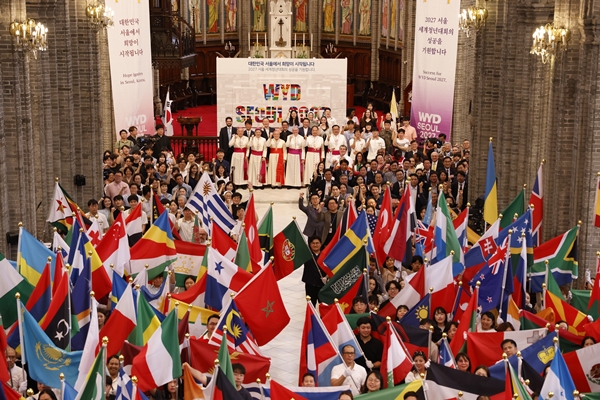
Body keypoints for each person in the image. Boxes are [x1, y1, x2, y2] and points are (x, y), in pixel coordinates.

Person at [302, 236, 327, 305]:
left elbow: (330, 269)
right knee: (311, 305)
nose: (315, 245)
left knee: (323, 305)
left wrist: (327, 277)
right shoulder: (306, 255)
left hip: (322, 285)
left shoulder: (325, 255)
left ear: (321, 244)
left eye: (317, 243)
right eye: (313, 243)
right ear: (310, 245)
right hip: (310, 284)